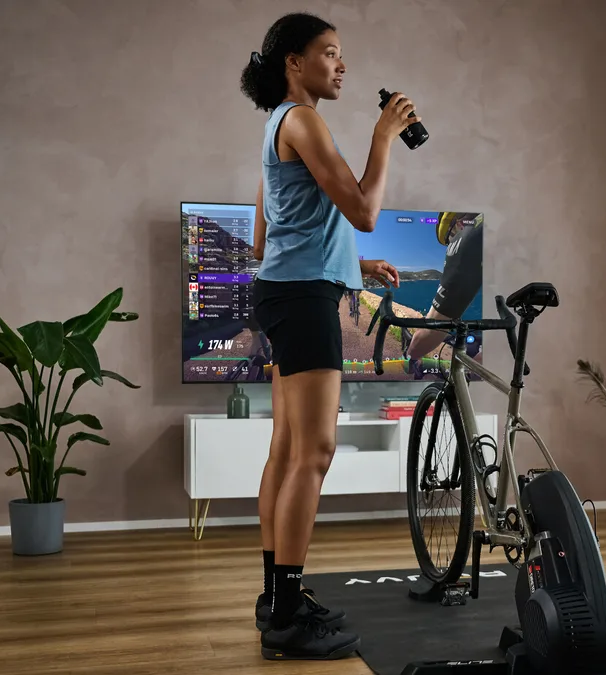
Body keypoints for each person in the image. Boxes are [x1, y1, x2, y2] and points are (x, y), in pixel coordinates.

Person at [240, 11, 410, 661]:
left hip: (286, 291)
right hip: (304, 301)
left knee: (286, 449)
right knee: (315, 451)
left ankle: (275, 596)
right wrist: (384, 135)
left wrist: (351, 266)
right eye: (330, 53)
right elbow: (364, 210)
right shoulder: (306, 119)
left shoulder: (276, 127)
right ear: (294, 62)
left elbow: (268, 235)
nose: (341, 65)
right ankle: (286, 616)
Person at [405, 211, 484, 368]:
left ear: (458, 224)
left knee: (471, 371)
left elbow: (435, 327)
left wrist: (411, 355)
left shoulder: (469, 235)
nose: (450, 245)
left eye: (450, 239)